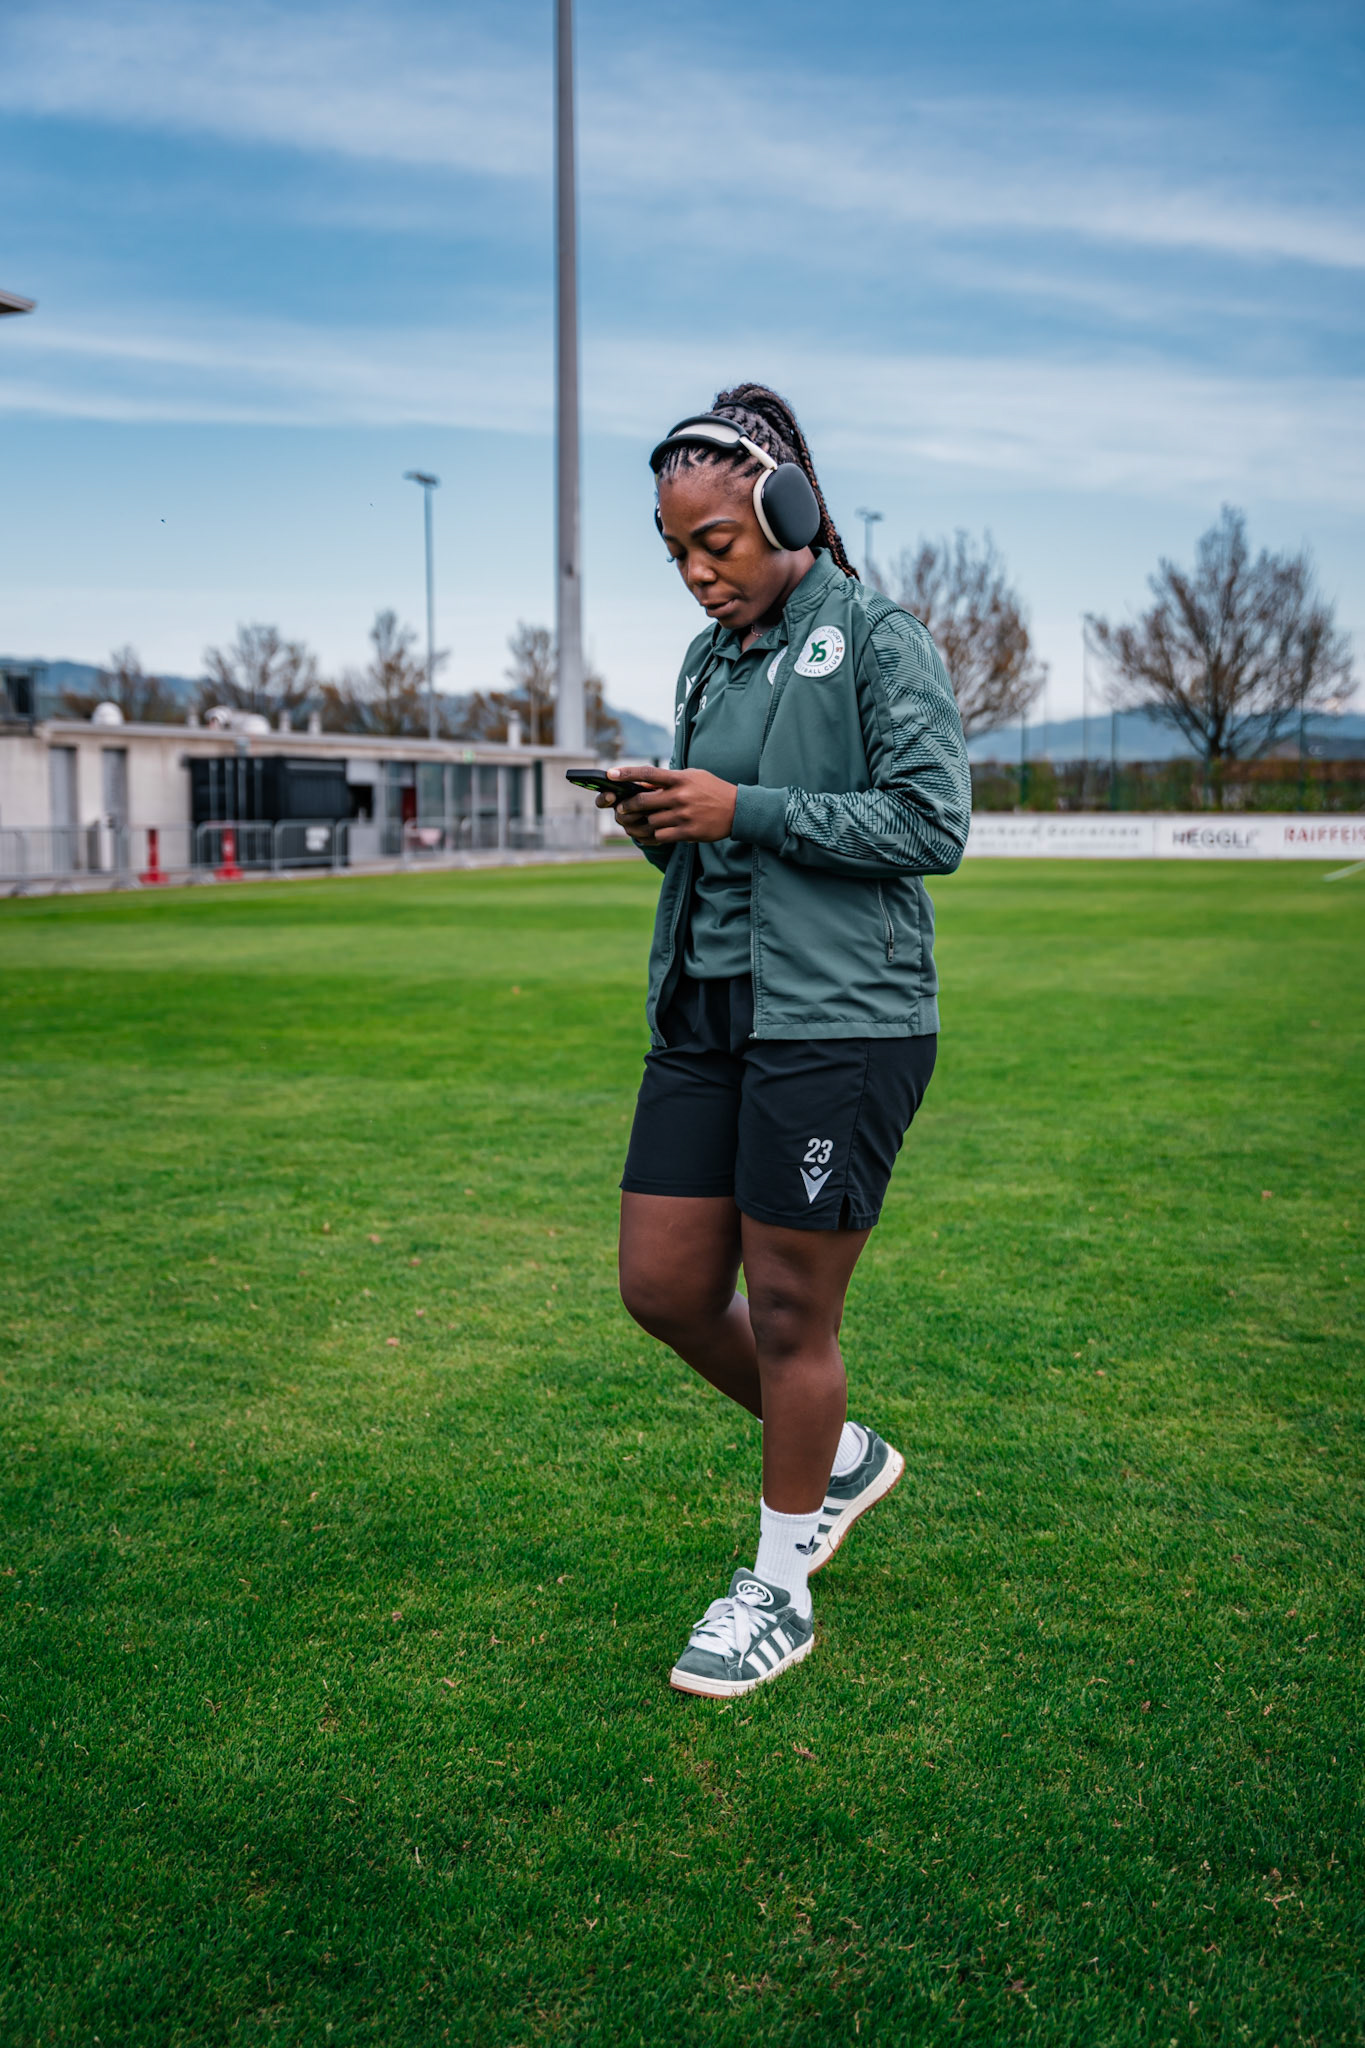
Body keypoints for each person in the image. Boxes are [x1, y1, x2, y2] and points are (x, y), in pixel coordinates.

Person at [601, 383, 970, 1698]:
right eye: (676, 555)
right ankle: (843, 1457)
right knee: (663, 1288)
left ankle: (776, 1589)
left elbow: (932, 827)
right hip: (708, 1011)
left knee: (798, 1314)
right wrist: (666, 824)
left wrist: (741, 807)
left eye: (718, 544)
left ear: (787, 512)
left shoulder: (874, 637)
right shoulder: (712, 658)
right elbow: (726, 836)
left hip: (840, 1022)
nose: (699, 575)